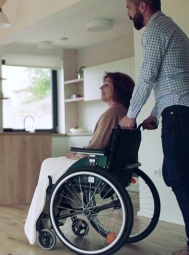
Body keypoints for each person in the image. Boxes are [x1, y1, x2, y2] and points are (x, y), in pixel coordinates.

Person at [119, 0, 189, 255]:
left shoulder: (155, 30)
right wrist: (155, 114)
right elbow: (169, 77)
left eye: (128, 8)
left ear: (142, 7)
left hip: (181, 111)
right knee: (175, 176)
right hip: (187, 108)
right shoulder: (170, 27)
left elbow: (147, 76)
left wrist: (131, 115)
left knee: (181, 180)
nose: (128, 14)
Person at [24, 72, 135, 245]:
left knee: (49, 165)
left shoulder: (111, 113)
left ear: (119, 89)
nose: (101, 87)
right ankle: (57, 212)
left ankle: (40, 216)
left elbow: (97, 147)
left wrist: (79, 154)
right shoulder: (124, 112)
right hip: (111, 167)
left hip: (96, 165)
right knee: (59, 169)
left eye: (106, 83)